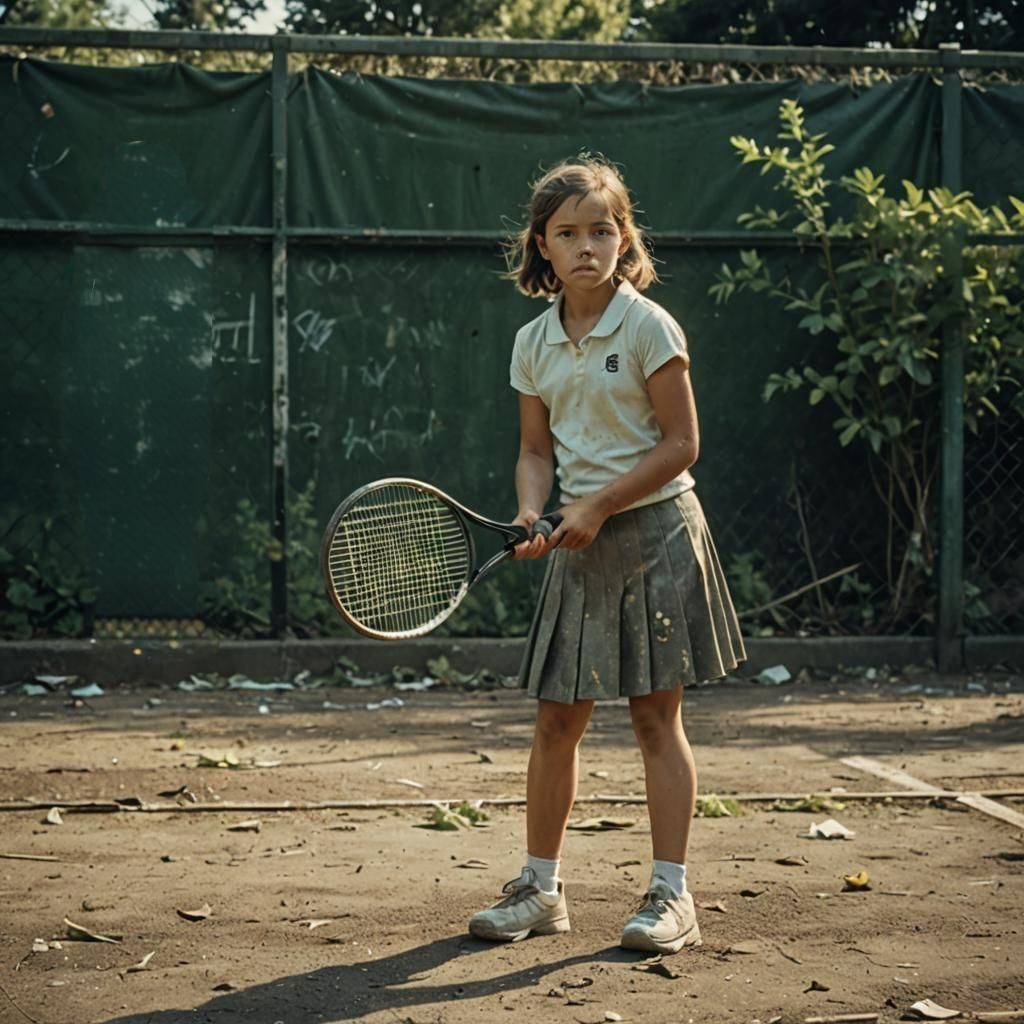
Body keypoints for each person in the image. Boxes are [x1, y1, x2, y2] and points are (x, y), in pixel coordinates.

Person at [468, 155, 746, 954]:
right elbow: (534, 452)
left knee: (656, 718)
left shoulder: (650, 325)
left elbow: (682, 444)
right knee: (556, 723)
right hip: (578, 543)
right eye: (568, 233)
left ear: (624, 239)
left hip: (658, 529)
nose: (586, 244)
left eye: (602, 229)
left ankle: (671, 896)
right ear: (542, 248)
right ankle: (540, 891)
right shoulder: (531, 342)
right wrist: (532, 511)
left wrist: (596, 505)